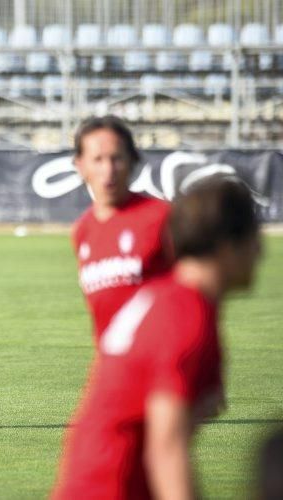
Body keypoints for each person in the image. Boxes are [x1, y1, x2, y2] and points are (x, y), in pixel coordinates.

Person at [53, 178, 262, 499]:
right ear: (227, 245)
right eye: (254, 239)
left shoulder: (172, 301)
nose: (261, 253)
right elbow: (167, 451)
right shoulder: (184, 316)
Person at [72, 116, 174, 341]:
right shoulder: (83, 231)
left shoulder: (163, 218)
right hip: (114, 370)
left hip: (162, 366)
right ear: (80, 165)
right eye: (97, 159)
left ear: (132, 160)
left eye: (116, 158)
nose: (108, 170)